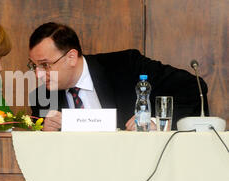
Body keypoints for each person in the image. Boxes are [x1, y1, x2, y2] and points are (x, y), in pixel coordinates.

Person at [28, 22, 208, 131]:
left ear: (71, 57)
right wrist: (45, 132)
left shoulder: (126, 66)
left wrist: (155, 122)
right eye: (34, 66)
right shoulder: (41, 99)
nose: (38, 74)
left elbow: (193, 87)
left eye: (45, 65)